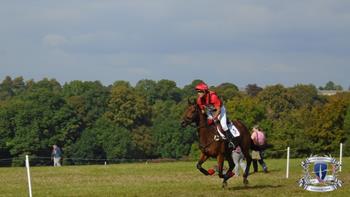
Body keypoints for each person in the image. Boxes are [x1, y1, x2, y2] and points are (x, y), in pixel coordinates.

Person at [195, 81, 239, 148]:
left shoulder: (213, 97)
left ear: (204, 91)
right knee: (206, 125)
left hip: (220, 110)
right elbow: (203, 110)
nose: (199, 93)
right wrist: (205, 116)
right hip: (210, 111)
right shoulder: (199, 100)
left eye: (200, 91)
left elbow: (218, 110)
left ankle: (231, 142)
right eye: (198, 92)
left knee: (224, 126)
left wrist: (213, 118)